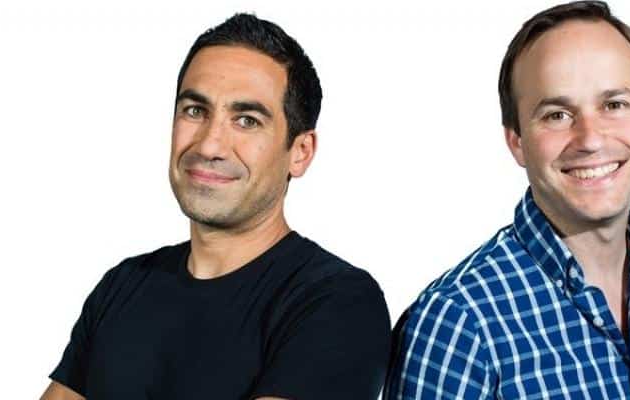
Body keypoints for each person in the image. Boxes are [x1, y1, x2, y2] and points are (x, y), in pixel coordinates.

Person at [41, 13, 390, 400]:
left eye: (246, 120)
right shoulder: (123, 285)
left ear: (300, 152)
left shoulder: (337, 302)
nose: (209, 145)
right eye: (195, 111)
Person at [385, 2, 630, 399]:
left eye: (614, 105)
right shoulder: (458, 322)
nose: (590, 139)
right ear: (516, 141)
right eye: (557, 115)